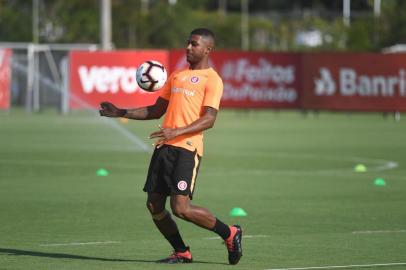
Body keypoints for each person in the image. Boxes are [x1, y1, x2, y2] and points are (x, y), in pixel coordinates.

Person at [99, 28, 242, 265]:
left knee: (181, 208)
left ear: (208, 49)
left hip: (187, 148)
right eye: (187, 43)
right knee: (154, 204)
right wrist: (121, 112)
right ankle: (182, 252)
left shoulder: (212, 80)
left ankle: (230, 233)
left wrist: (177, 131)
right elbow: (156, 110)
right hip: (164, 147)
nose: (188, 48)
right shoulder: (176, 76)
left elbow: (210, 119)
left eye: (194, 44)